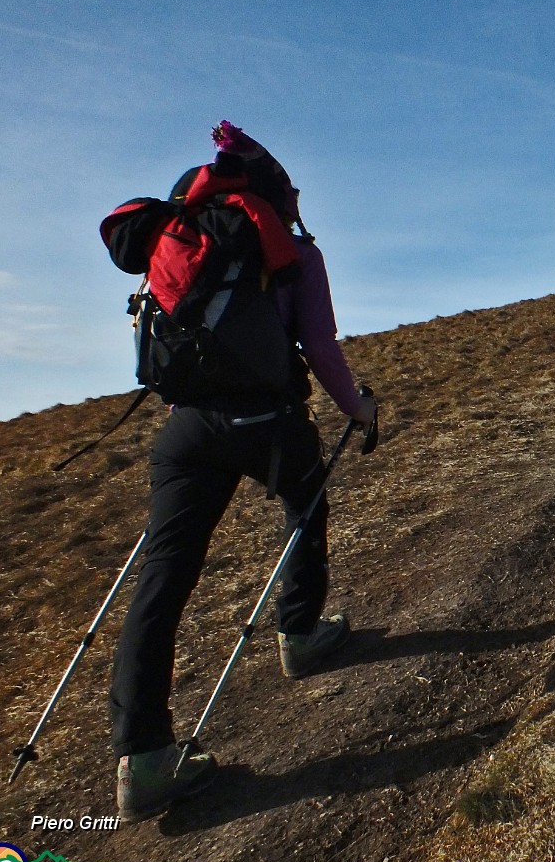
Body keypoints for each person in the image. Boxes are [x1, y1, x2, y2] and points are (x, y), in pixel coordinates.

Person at [106, 122, 377, 821]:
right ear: (277, 194)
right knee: (306, 504)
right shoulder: (289, 250)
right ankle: (300, 634)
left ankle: (141, 759)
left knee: (163, 576)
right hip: (267, 420)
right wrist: (361, 410)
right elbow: (318, 343)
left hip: (186, 428)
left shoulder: (179, 237)